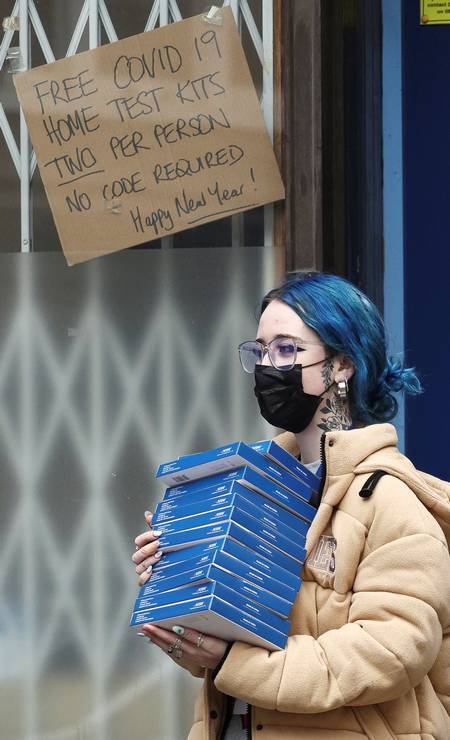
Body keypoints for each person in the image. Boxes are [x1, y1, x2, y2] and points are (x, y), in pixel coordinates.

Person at [132, 271, 450, 739]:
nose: (267, 365)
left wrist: (230, 661)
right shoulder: (253, 485)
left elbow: (391, 652)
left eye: (286, 349)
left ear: (341, 365)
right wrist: (177, 582)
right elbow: (230, 653)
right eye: (259, 350)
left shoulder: (389, 499)